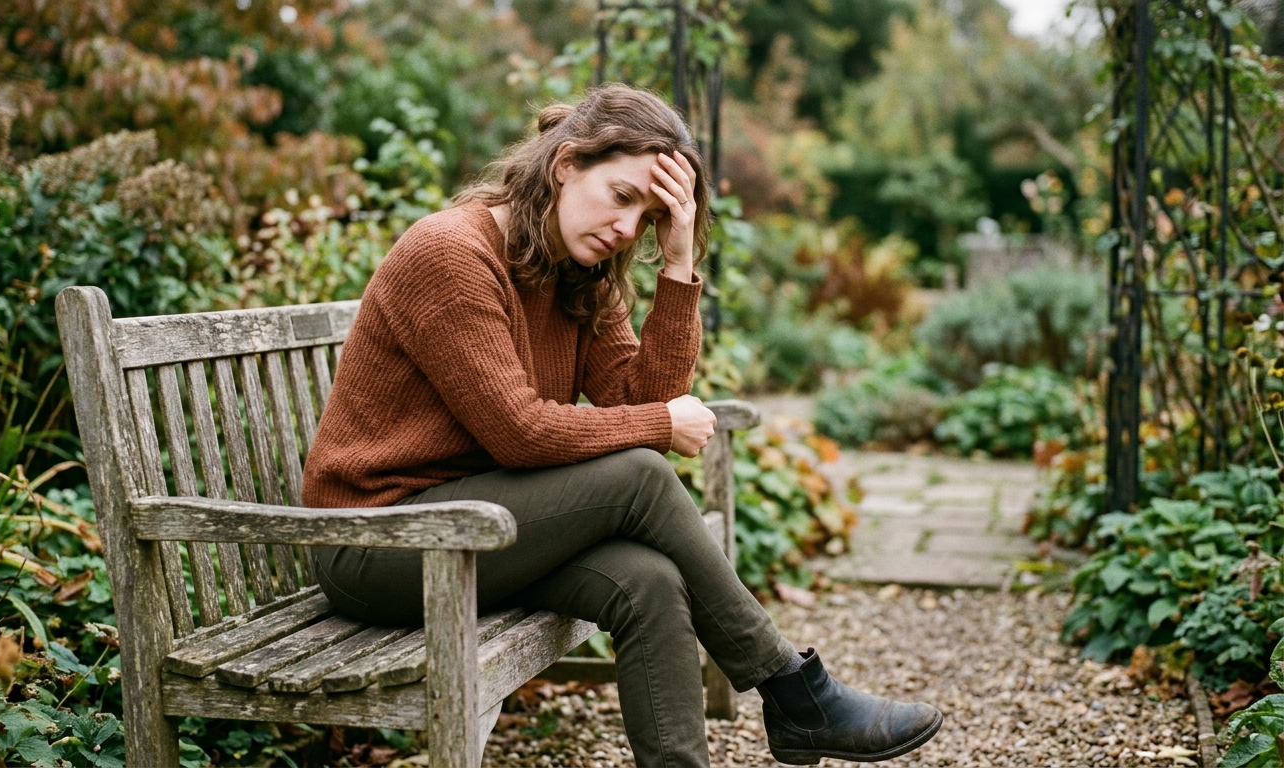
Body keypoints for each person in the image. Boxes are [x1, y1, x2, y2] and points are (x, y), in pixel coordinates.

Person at [302, 82, 942, 767]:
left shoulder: (584, 271)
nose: (626, 229)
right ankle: (794, 691)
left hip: (480, 526)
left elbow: (637, 394)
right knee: (640, 472)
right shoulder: (451, 255)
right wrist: (661, 426)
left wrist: (678, 262)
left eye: (648, 216)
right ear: (565, 165)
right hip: (380, 543)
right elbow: (520, 431)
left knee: (648, 582)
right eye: (622, 197)